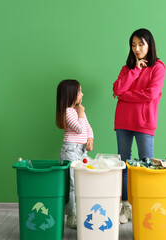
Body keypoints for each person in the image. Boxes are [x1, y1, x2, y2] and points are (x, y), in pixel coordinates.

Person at [113, 28, 166, 224]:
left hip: (145, 122)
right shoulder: (127, 69)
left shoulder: (158, 68)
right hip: (123, 122)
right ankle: (125, 207)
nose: (137, 48)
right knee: (124, 166)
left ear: (149, 45)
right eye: (133, 45)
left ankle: (144, 206)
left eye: (141, 44)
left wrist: (125, 96)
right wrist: (135, 71)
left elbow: (151, 94)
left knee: (146, 165)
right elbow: (117, 88)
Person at [56, 79, 94, 229]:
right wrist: (81, 113)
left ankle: (82, 211)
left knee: (83, 181)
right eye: (79, 92)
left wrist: (90, 139)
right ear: (71, 95)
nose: (82, 94)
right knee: (71, 185)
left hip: (81, 151)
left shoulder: (78, 111)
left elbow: (87, 128)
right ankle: (71, 216)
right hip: (70, 151)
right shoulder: (69, 112)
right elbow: (78, 129)